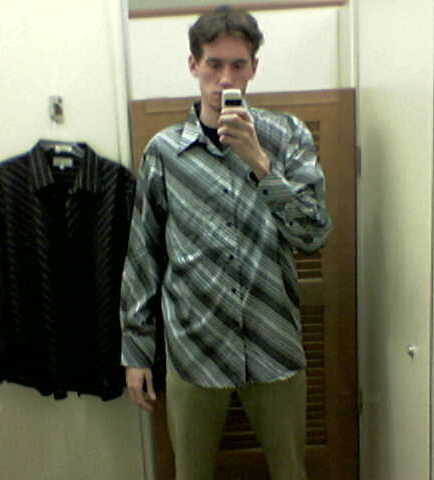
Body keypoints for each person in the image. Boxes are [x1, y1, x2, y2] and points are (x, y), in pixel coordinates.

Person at [120, 6, 332, 480]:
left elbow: (313, 233)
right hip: (193, 348)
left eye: (238, 65)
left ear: (254, 68)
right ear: (193, 65)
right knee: (191, 473)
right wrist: (136, 351)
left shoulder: (288, 137)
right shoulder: (164, 152)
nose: (225, 78)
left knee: (291, 472)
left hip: (272, 342)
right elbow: (143, 254)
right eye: (214, 64)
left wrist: (260, 162)